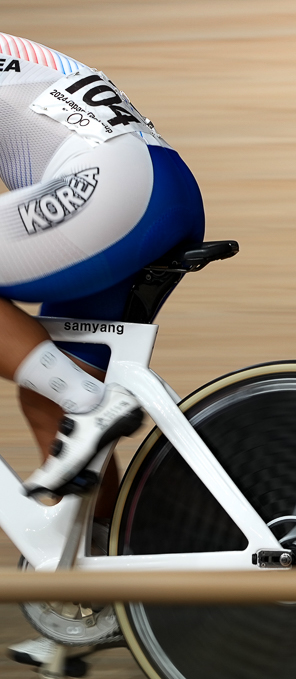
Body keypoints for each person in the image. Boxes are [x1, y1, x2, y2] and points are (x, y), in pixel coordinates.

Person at [1, 33, 204, 504]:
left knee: (74, 396)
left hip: (113, 191)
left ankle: (90, 402)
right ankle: (109, 551)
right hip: (155, 187)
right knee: (45, 397)